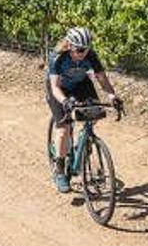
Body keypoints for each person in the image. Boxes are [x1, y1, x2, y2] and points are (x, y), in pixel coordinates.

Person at [46, 26, 121, 193]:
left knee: (95, 111)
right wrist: (66, 102)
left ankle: (82, 143)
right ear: (69, 46)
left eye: (86, 50)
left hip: (80, 84)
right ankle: (59, 168)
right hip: (59, 89)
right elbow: (55, 87)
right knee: (64, 129)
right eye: (79, 50)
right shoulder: (57, 57)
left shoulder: (90, 56)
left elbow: (102, 79)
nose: (83, 53)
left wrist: (112, 96)